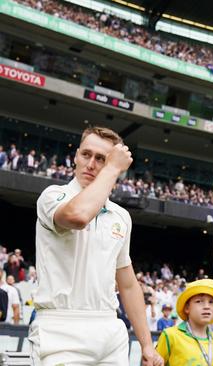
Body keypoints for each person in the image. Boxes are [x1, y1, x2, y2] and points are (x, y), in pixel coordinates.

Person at [29, 126, 163, 366]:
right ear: (76, 156)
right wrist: (112, 168)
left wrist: (147, 345)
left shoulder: (121, 216)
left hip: (110, 330)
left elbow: (129, 284)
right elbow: (78, 216)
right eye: (86, 154)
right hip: (60, 329)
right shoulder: (52, 196)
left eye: (101, 159)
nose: (91, 164)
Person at [155, 279, 213, 365]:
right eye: (199, 301)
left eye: (212, 302)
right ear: (187, 308)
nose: (206, 306)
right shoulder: (170, 335)